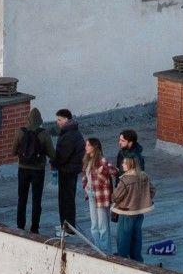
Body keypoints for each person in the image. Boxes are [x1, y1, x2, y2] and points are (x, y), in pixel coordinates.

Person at [12, 107, 51, 234]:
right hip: (38, 170)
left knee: (21, 198)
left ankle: (20, 225)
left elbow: (13, 151)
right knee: (36, 199)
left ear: (28, 119)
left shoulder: (20, 132)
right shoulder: (44, 133)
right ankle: (34, 227)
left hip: (23, 169)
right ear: (40, 120)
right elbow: (52, 154)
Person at [110, 153, 154, 262]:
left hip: (126, 213)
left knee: (123, 239)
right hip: (139, 212)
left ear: (131, 164)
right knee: (136, 237)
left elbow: (116, 197)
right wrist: (143, 201)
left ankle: (123, 260)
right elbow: (152, 191)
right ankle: (137, 260)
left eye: (125, 162)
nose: (122, 164)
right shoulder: (143, 176)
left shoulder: (125, 180)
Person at [49, 109, 84, 239]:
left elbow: (62, 155)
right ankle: (65, 224)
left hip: (68, 171)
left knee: (66, 200)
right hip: (70, 170)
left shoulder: (69, 135)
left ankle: (68, 228)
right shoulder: (71, 132)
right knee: (66, 199)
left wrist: (53, 161)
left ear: (66, 120)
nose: (57, 122)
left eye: (59, 120)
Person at [83, 137, 118, 251]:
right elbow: (85, 176)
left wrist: (102, 170)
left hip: (101, 195)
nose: (86, 147)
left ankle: (106, 251)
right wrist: (85, 186)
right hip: (92, 194)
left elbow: (115, 171)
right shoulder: (87, 160)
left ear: (94, 147)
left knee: (103, 225)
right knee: (94, 225)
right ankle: (98, 249)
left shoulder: (101, 161)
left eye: (88, 145)